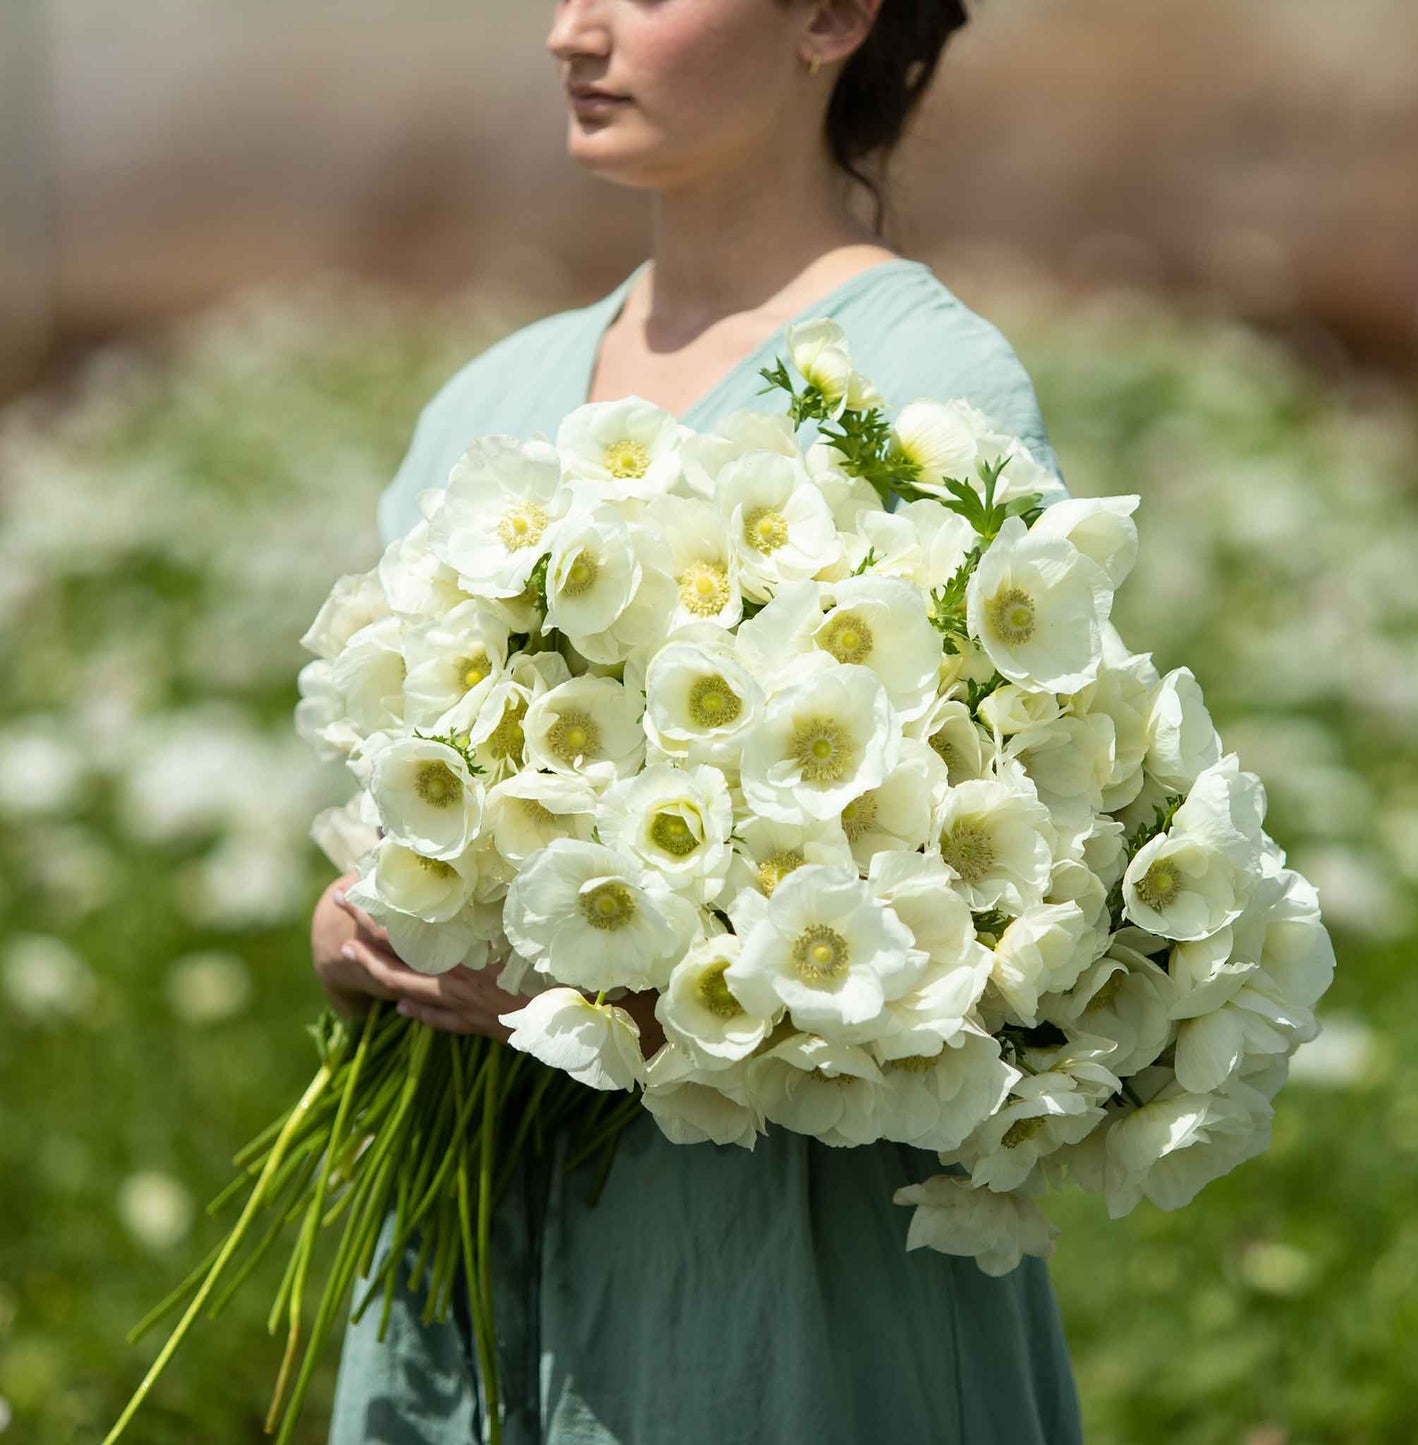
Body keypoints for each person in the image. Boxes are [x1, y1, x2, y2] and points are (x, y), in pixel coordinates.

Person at [313, 0, 1084, 1439]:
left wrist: (666, 1011)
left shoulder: (927, 395)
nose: (569, 30)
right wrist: (357, 927)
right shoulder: (495, 396)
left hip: (765, 1252)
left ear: (831, 18)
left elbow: (997, 915)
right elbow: (381, 803)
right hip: (474, 1234)